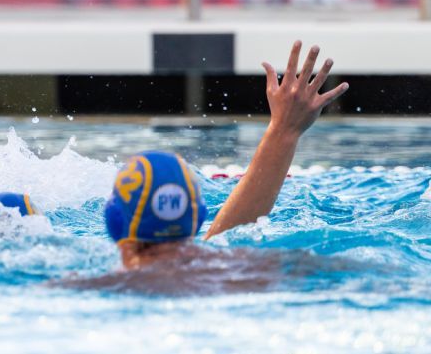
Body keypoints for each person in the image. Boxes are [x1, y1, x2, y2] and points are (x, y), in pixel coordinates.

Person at [87, 41, 348, 291]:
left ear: (113, 220)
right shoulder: (243, 271)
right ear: (197, 216)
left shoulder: (98, 288)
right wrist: (286, 129)